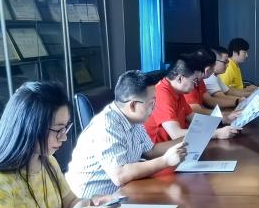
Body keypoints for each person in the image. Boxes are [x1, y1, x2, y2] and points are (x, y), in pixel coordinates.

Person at [66, 70, 187, 199]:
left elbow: (150, 151)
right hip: (93, 201)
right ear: (133, 105)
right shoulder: (107, 125)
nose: (154, 107)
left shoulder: (134, 119)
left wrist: (187, 139)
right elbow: (120, 175)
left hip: (123, 192)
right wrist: (166, 160)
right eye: (151, 103)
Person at [145, 56, 239, 143]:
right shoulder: (161, 94)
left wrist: (223, 119)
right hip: (163, 148)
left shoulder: (176, 91)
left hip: (177, 144)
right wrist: (215, 133)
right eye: (195, 81)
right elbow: (175, 133)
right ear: (179, 78)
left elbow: (193, 117)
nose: (196, 86)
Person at [185, 49, 244, 119]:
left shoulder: (200, 80)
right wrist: (224, 116)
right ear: (207, 70)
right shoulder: (190, 82)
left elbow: (209, 100)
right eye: (212, 69)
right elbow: (196, 110)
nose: (213, 72)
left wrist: (236, 102)